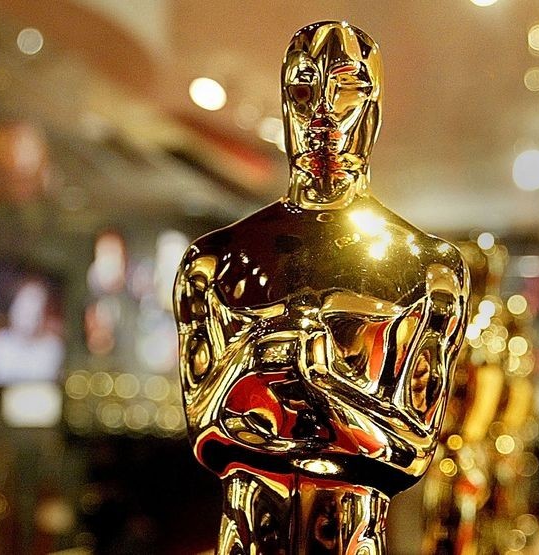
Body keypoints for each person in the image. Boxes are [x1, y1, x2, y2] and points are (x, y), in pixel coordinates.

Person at [175, 21, 470, 553]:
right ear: (285, 102)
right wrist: (287, 371)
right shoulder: (214, 262)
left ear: (373, 109)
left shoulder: (429, 271)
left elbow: (410, 451)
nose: (323, 116)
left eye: (347, 88)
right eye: (304, 87)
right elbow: (204, 432)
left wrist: (313, 377)